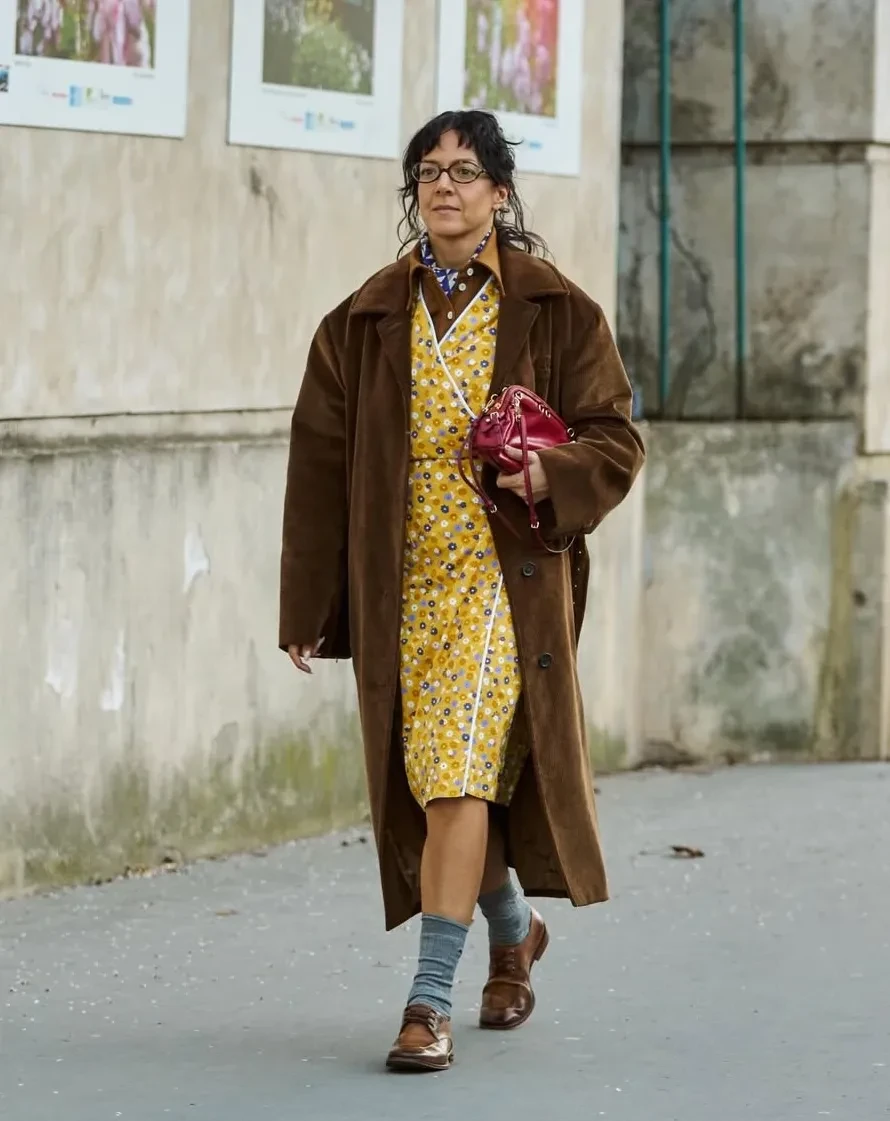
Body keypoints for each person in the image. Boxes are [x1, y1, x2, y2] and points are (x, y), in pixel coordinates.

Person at [279, 109, 645, 1073]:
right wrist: (309, 604)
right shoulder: (360, 321)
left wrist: (550, 473)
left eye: (466, 171)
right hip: (404, 586)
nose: (445, 185)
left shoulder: (557, 309)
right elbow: (318, 468)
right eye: (430, 172)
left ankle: (427, 1002)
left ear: (501, 192)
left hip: (503, 584)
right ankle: (515, 930)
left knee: (454, 777)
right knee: (444, 781)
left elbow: (616, 437)